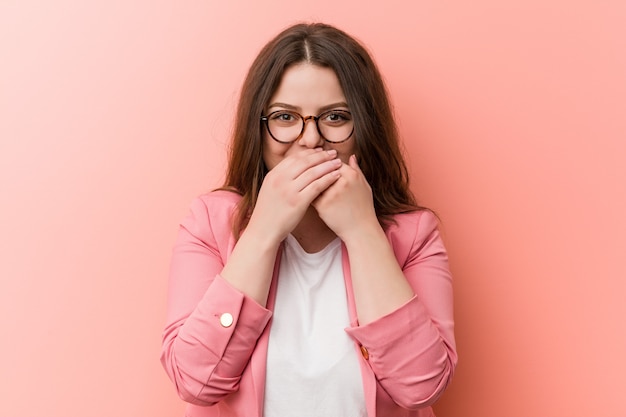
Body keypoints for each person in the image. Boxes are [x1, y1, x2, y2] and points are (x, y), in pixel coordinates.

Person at [160, 22, 457, 417]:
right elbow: (194, 381)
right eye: (285, 117)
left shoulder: (414, 235)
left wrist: (363, 231)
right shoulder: (209, 224)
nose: (310, 139)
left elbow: (421, 387)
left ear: (364, 127)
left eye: (335, 117)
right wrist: (263, 230)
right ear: (259, 127)